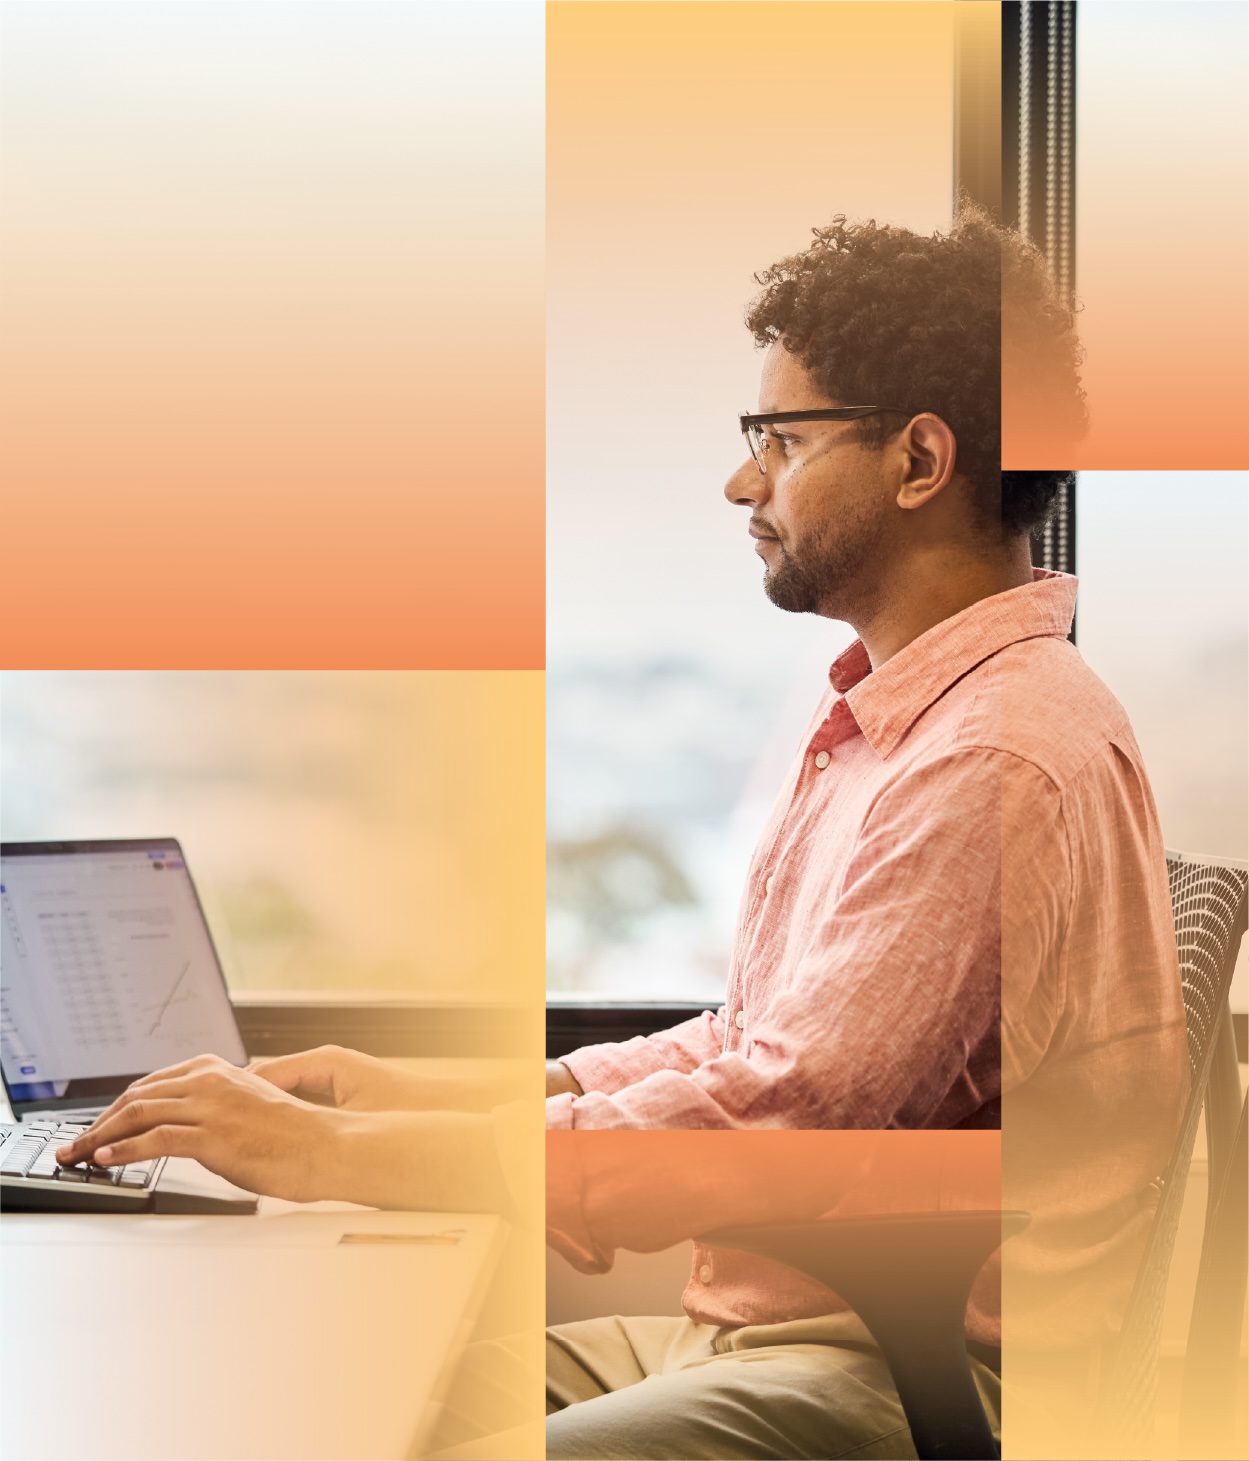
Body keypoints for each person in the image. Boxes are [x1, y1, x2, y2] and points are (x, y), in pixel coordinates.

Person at [546, 210, 1185, 1138]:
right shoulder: (905, 718)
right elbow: (758, 1041)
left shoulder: (988, 761)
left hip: (865, 1291)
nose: (742, 482)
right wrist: (437, 1102)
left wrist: (354, 1153)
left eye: (785, 443)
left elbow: (793, 1106)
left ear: (919, 461)